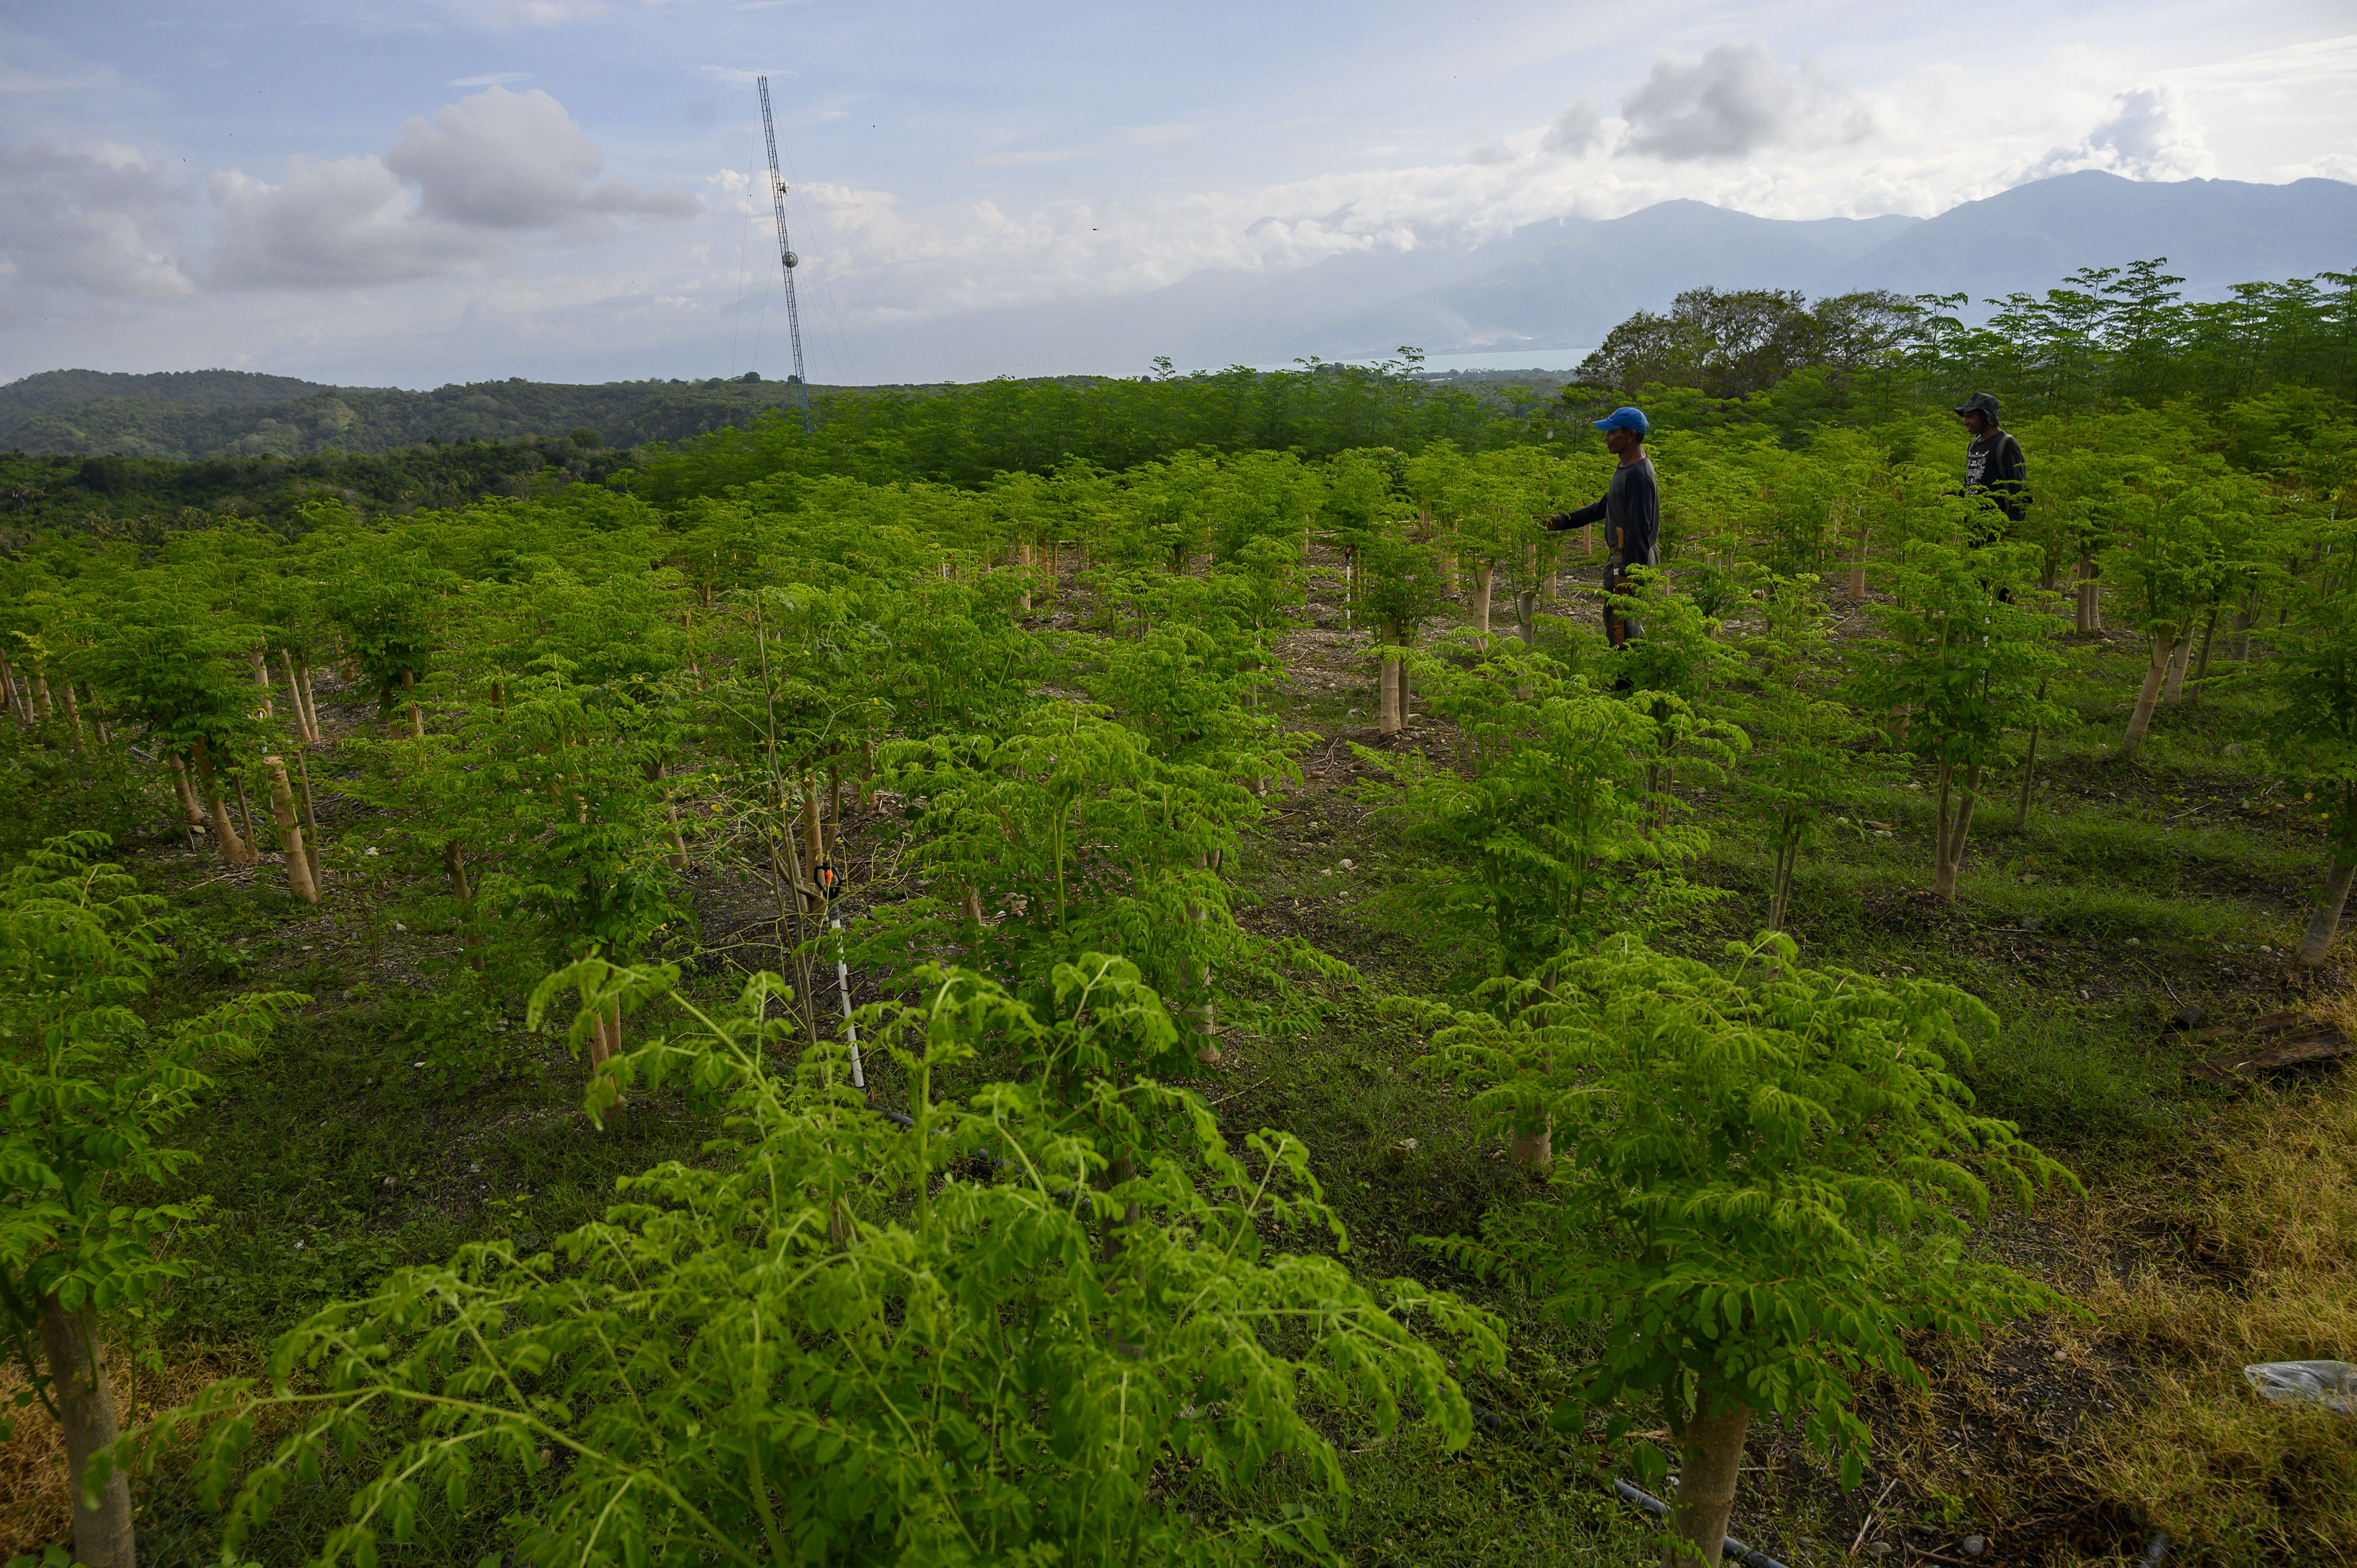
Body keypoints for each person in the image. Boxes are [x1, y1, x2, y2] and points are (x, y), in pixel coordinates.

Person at [1541, 405, 1658, 648]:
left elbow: (1639, 531)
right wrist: (1562, 521)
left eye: (1612, 433)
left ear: (1630, 435)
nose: (1606, 438)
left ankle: (1629, 681)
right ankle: (1627, 678)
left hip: (1631, 559)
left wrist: (1627, 575)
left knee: (1624, 627)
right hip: (1623, 558)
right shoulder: (1627, 468)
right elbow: (1605, 506)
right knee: (1616, 622)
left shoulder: (1638, 476)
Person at [1953, 391, 2028, 539]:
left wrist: (2013, 523)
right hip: (1973, 525)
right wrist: (1949, 497)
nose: (1965, 422)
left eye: (1970, 416)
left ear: (1985, 417)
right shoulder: (1973, 445)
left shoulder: (2006, 444)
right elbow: (1971, 485)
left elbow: (2018, 487)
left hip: (1997, 528)